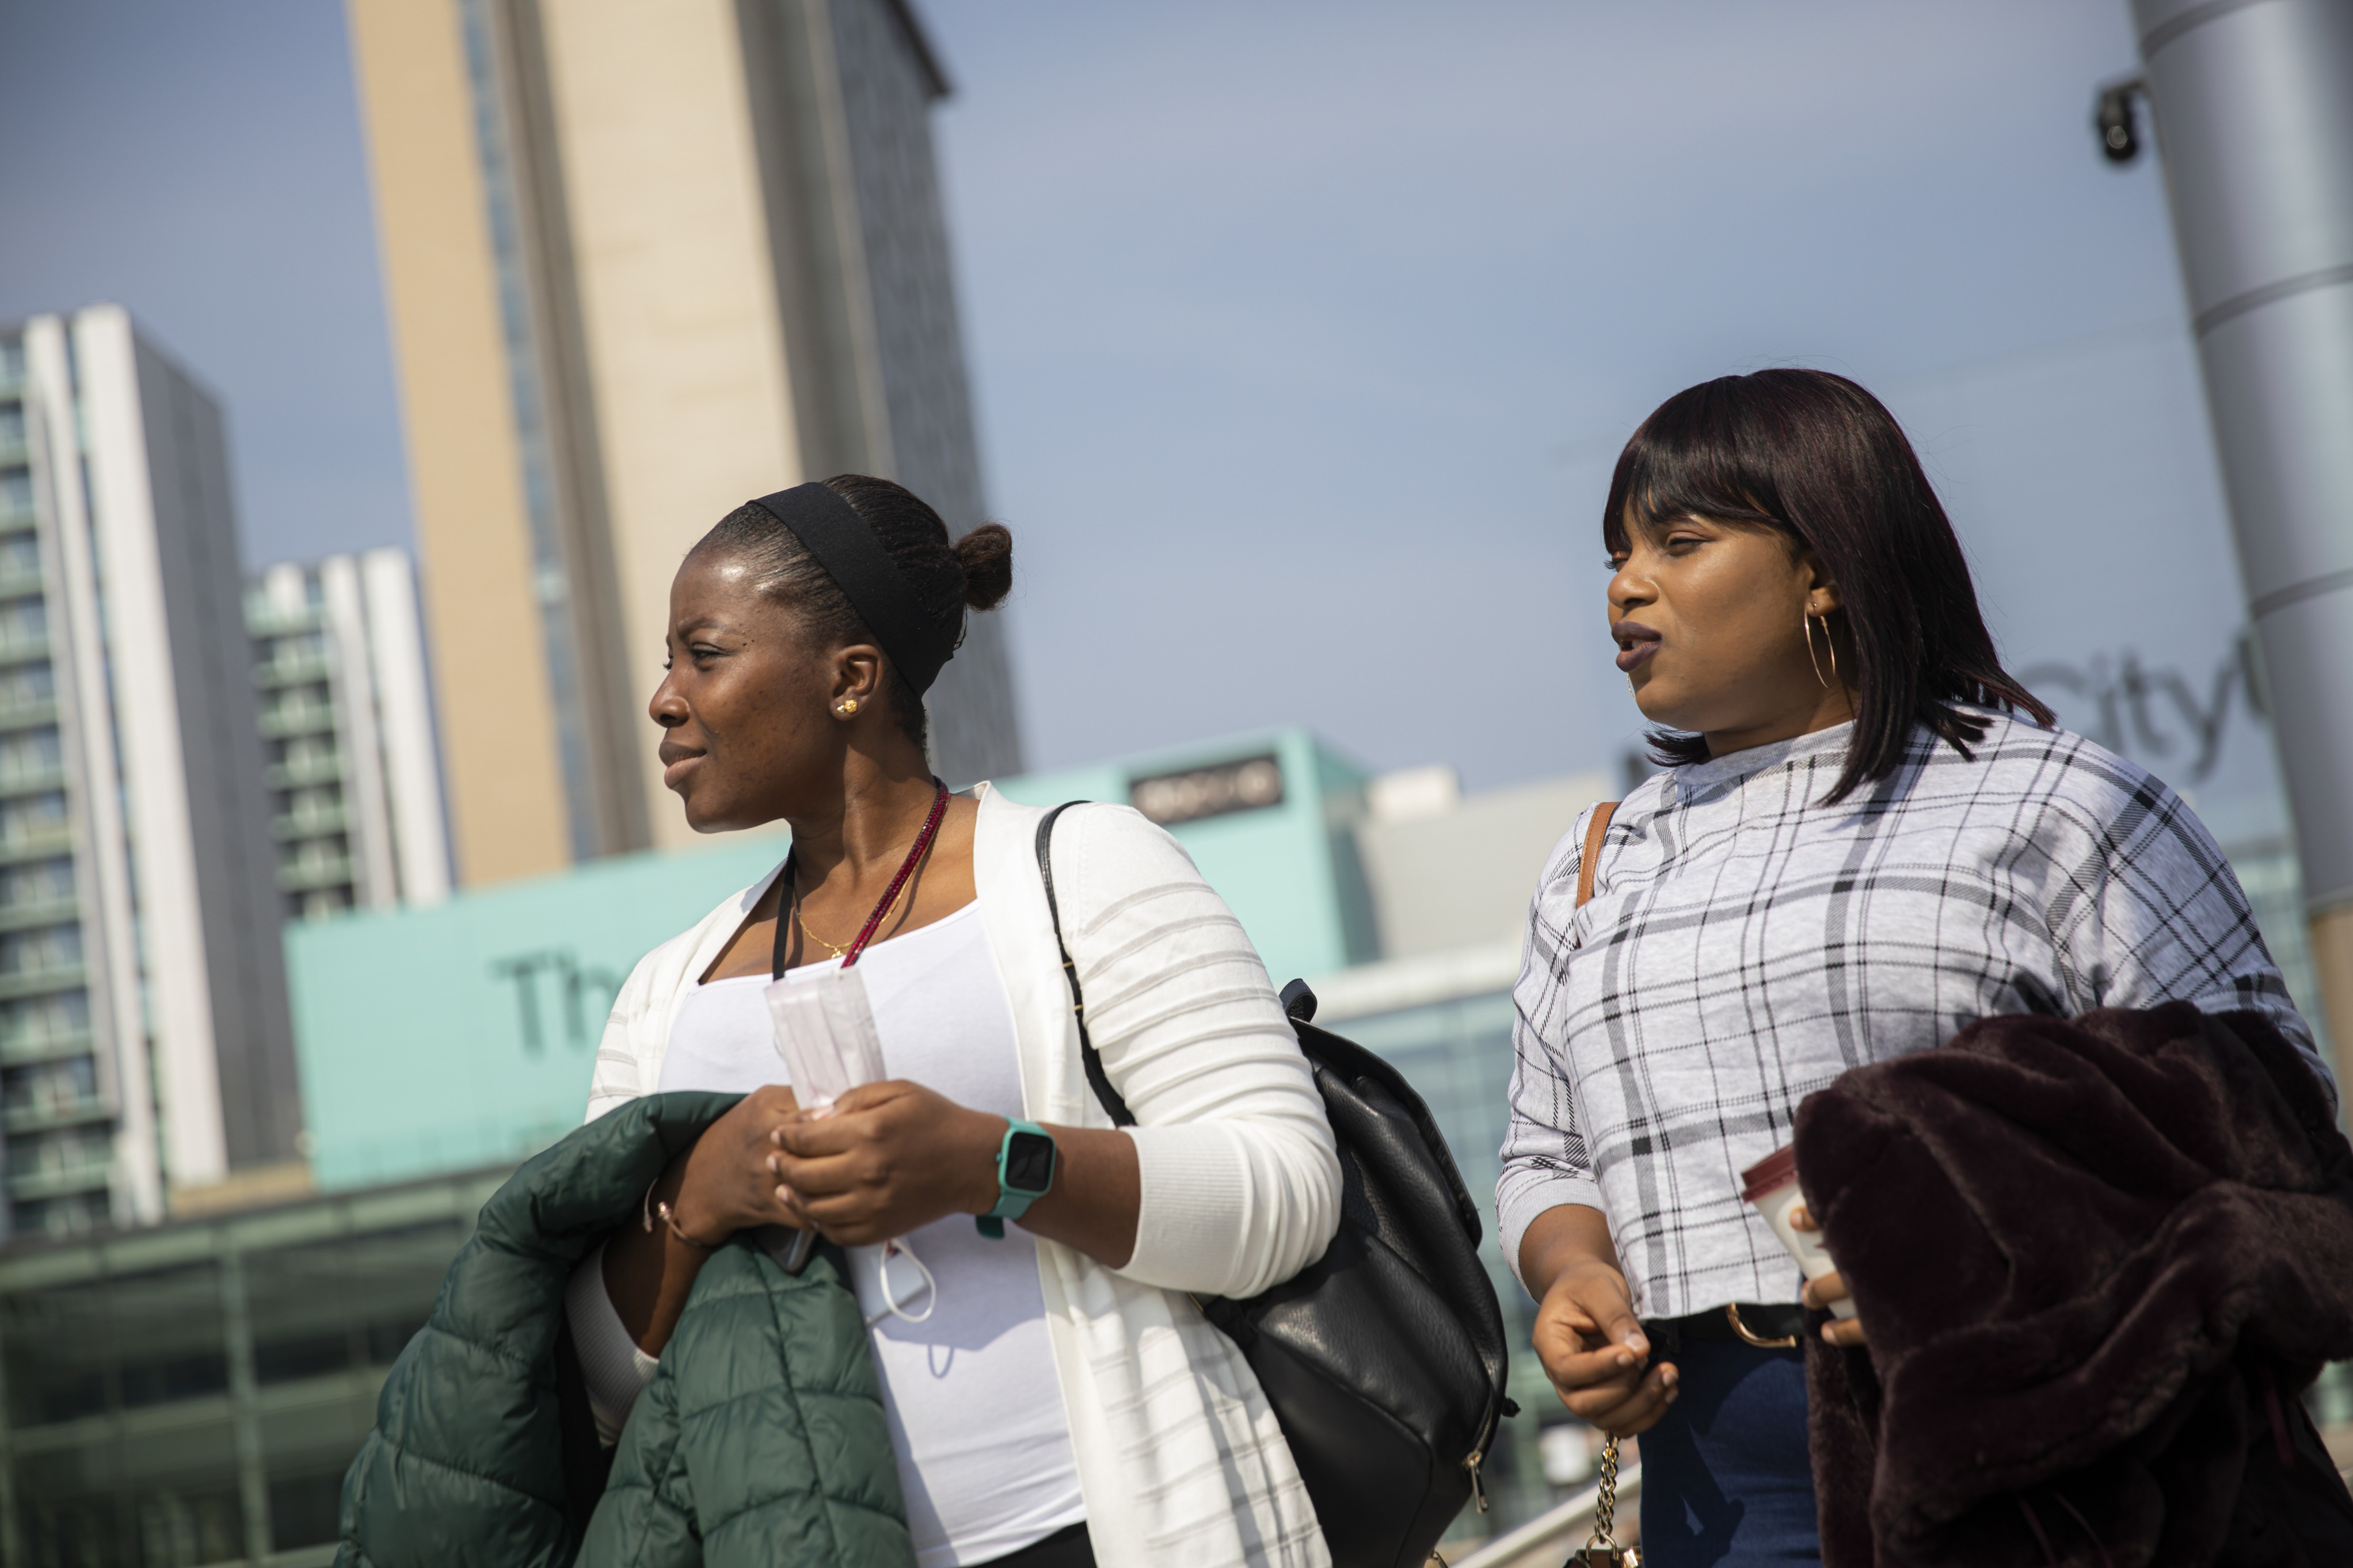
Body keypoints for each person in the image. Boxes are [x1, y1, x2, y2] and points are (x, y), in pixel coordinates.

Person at [1495, 370, 2332, 1565]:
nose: (1626, 586)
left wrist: (1971, 1229)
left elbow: (2269, 1102)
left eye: (1679, 542)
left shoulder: (2052, 797)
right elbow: (1545, 1150)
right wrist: (1574, 1269)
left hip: (2034, 1461)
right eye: (1616, 554)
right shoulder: (1597, 862)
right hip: (1714, 1493)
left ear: (1824, 564)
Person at [565, 476, 1341, 1568]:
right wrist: (700, 1199)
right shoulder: (663, 997)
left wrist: (990, 1164)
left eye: (705, 653)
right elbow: (599, 1379)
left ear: (850, 678)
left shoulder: (1085, 870)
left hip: (1114, 1534)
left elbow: (1287, 1198)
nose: (664, 697)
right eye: (668, 660)